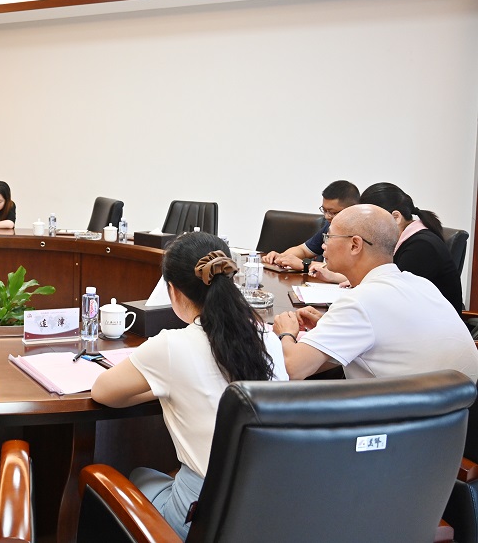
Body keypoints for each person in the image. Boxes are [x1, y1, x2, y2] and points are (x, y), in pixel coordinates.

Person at [92, 232, 287, 539]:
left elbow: (103, 392)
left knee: (141, 476)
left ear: (173, 291)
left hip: (203, 517)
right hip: (270, 510)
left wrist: (161, 386)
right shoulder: (267, 338)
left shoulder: (172, 346)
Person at [272, 204, 478, 381]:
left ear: (355, 245)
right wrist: (327, 328)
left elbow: (293, 369)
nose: (323, 245)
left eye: (329, 236)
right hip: (457, 409)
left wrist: (286, 333)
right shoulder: (420, 284)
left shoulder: (359, 302)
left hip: (402, 413)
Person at [356, 182, 463, 312]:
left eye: (371, 222)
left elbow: (392, 294)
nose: (367, 228)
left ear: (396, 217)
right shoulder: (404, 240)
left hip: (433, 322)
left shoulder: (421, 246)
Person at [261, 180, 359, 271]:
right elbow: (303, 250)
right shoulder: (330, 226)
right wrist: (281, 257)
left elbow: (349, 272)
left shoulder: (361, 233)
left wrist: (305, 265)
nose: (326, 216)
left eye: (332, 212)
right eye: (324, 210)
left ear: (352, 209)